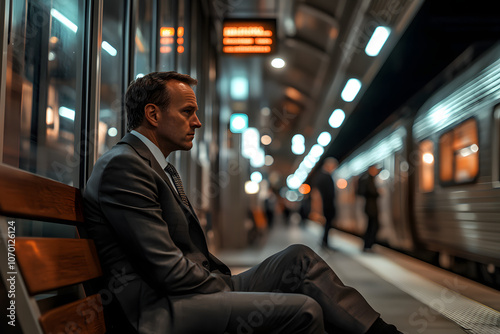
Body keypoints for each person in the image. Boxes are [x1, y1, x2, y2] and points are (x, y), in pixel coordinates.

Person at [83, 71, 402, 334]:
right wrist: (232, 288)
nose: (197, 122)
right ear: (153, 114)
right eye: (187, 112)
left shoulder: (148, 165)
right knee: (304, 310)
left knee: (298, 260)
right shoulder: (125, 167)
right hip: (158, 312)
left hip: (183, 293)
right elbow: (166, 270)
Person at [311, 157, 338, 249]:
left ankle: (325, 242)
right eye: (333, 166)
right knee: (327, 225)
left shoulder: (321, 176)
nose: (334, 169)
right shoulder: (323, 176)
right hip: (326, 206)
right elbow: (317, 194)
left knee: (327, 225)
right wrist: (318, 209)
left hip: (327, 206)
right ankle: (324, 242)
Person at [358, 165, 381, 252]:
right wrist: (378, 192)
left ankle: (368, 245)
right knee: (372, 226)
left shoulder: (366, 178)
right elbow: (371, 191)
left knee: (371, 226)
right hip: (371, 208)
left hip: (369, 207)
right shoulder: (369, 179)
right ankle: (368, 246)